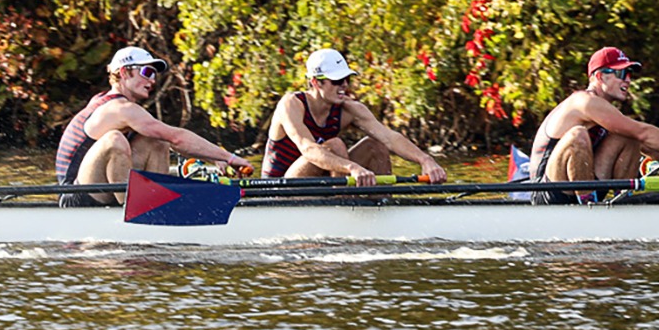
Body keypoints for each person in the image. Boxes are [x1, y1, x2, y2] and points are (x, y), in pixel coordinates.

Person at [54, 46, 252, 206]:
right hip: (75, 195)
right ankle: (133, 212)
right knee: (114, 140)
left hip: (98, 187)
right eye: (147, 72)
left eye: (154, 74)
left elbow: (171, 140)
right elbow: (178, 137)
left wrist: (214, 158)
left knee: (156, 140)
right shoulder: (119, 108)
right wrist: (230, 157)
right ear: (124, 72)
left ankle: (155, 205)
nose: (152, 80)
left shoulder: (119, 105)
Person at [526, 46, 659, 205]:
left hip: (583, 185)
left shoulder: (606, 112)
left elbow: (648, 146)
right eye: (621, 73)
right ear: (600, 76)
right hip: (548, 192)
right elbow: (644, 132)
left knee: (628, 136)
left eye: (629, 74)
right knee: (578, 135)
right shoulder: (584, 102)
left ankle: (622, 202)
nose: (627, 79)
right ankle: (588, 208)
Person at [260, 49, 446, 185]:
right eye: (337, 81)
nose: (344, 86)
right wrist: (352, 168)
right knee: (335, 145)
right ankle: (343, 207)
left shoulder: (348, 109)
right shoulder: (291, 104)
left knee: (376, 146)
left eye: (347, 79)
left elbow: (389, 138)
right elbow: (309, 149)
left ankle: (382, 205)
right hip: (279, 188)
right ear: (316, 82)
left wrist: (426, 160)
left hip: (318, 184)